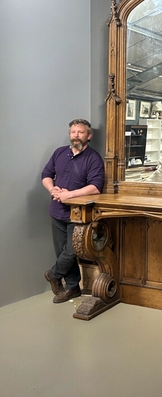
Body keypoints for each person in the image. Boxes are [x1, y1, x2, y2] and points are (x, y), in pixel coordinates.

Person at [41, 119, 105, 303]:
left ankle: (53, 274)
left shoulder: (93, 158)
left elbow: (95, 187)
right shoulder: (59, 153)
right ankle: (72, 288)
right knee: (62, 251)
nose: (76, 135)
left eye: (80, 132)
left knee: (72, 250)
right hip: (56, 210)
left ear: (89, 136)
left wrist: (70, 195)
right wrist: (52, 189)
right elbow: (46, 175)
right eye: (73, 132)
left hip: (78, 213)